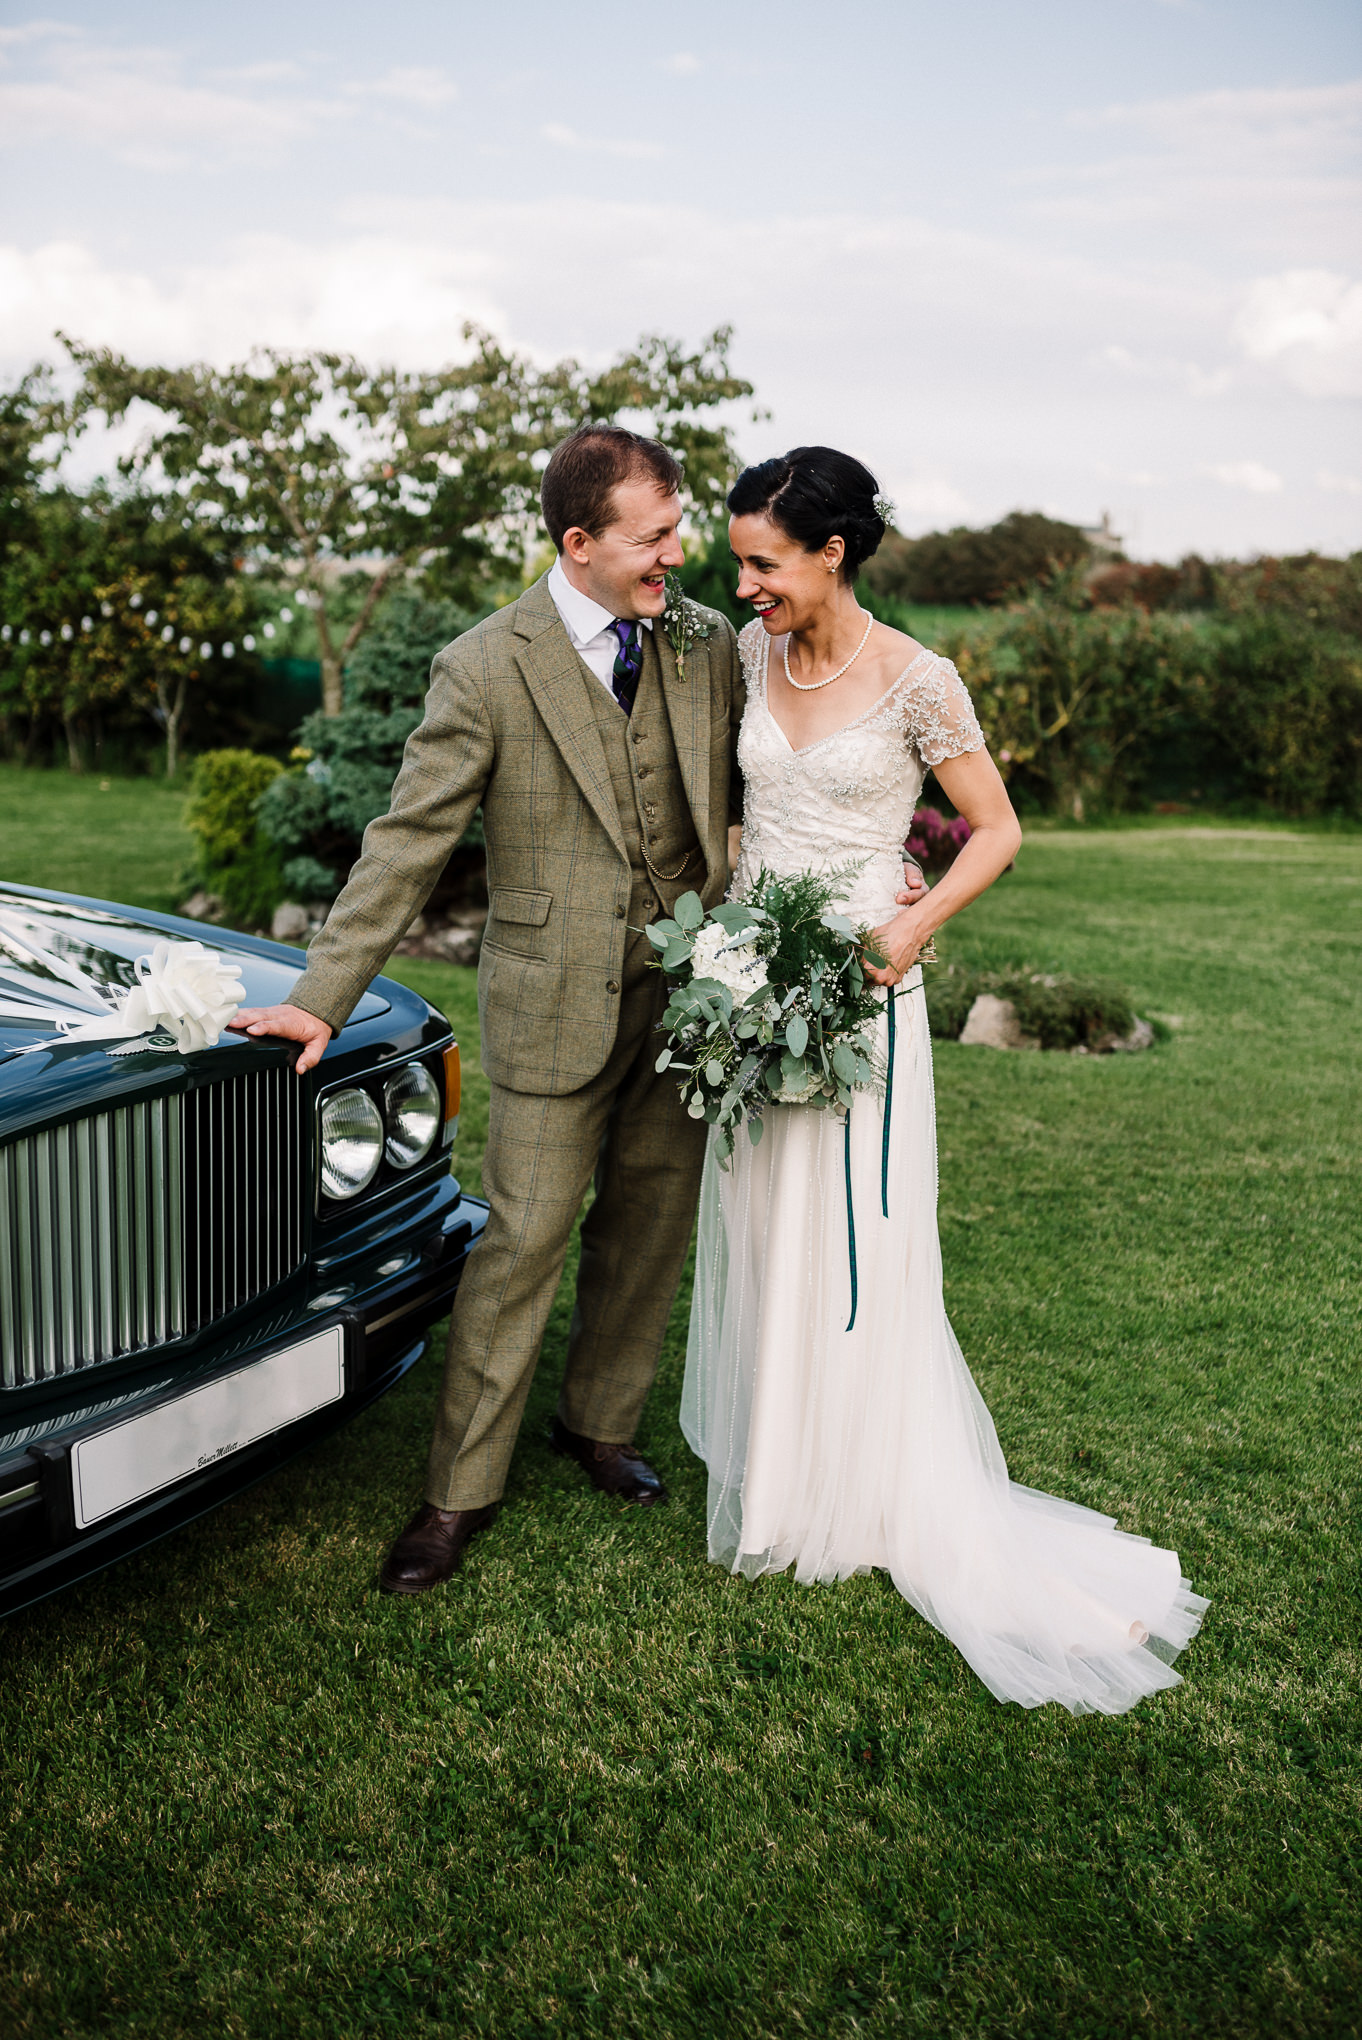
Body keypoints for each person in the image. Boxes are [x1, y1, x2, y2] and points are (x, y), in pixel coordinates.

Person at [232, 425, 925, 1594]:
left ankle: (597, 1425)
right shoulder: (485, 665)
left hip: (699, 998)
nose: (681, 553)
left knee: (651, 1228)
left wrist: (889, 867)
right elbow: (408, 843)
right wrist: (317, 999)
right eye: (656, 537)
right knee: (519, 1245)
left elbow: (824, 737)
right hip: (552, 1002)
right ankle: (457, 1493)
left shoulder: (712, 639)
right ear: (580, 543)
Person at [681, 446, 1207, 1714]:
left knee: (855, 1229)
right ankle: (786, 1472)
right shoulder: (749, 659)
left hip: (866, 986)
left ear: (831, 554)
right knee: (766, 1222)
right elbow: (754, 806)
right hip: (759, 979)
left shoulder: (921, 679)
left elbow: (998, 828)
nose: (741, 582)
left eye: (761, 561)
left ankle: (866, 1486)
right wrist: (744, 909)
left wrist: (912, 925)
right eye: (737, 559)